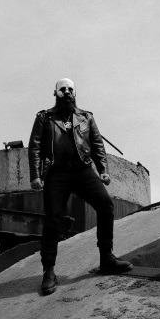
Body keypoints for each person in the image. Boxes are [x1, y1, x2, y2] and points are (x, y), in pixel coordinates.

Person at [28, 78, 133, 295]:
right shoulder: (44, 117)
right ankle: (49, 271)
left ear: (75, 93)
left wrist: (103, 169)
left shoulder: (86, 117)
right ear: (55, 93)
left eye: (70, 89)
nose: (67, 92)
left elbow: (97, 144)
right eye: (62, 89)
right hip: (56, 173)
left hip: (82, 169)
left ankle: (106, 258)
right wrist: (35, 175)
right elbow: (35, 147)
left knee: (105, 205)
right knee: (53, 219)